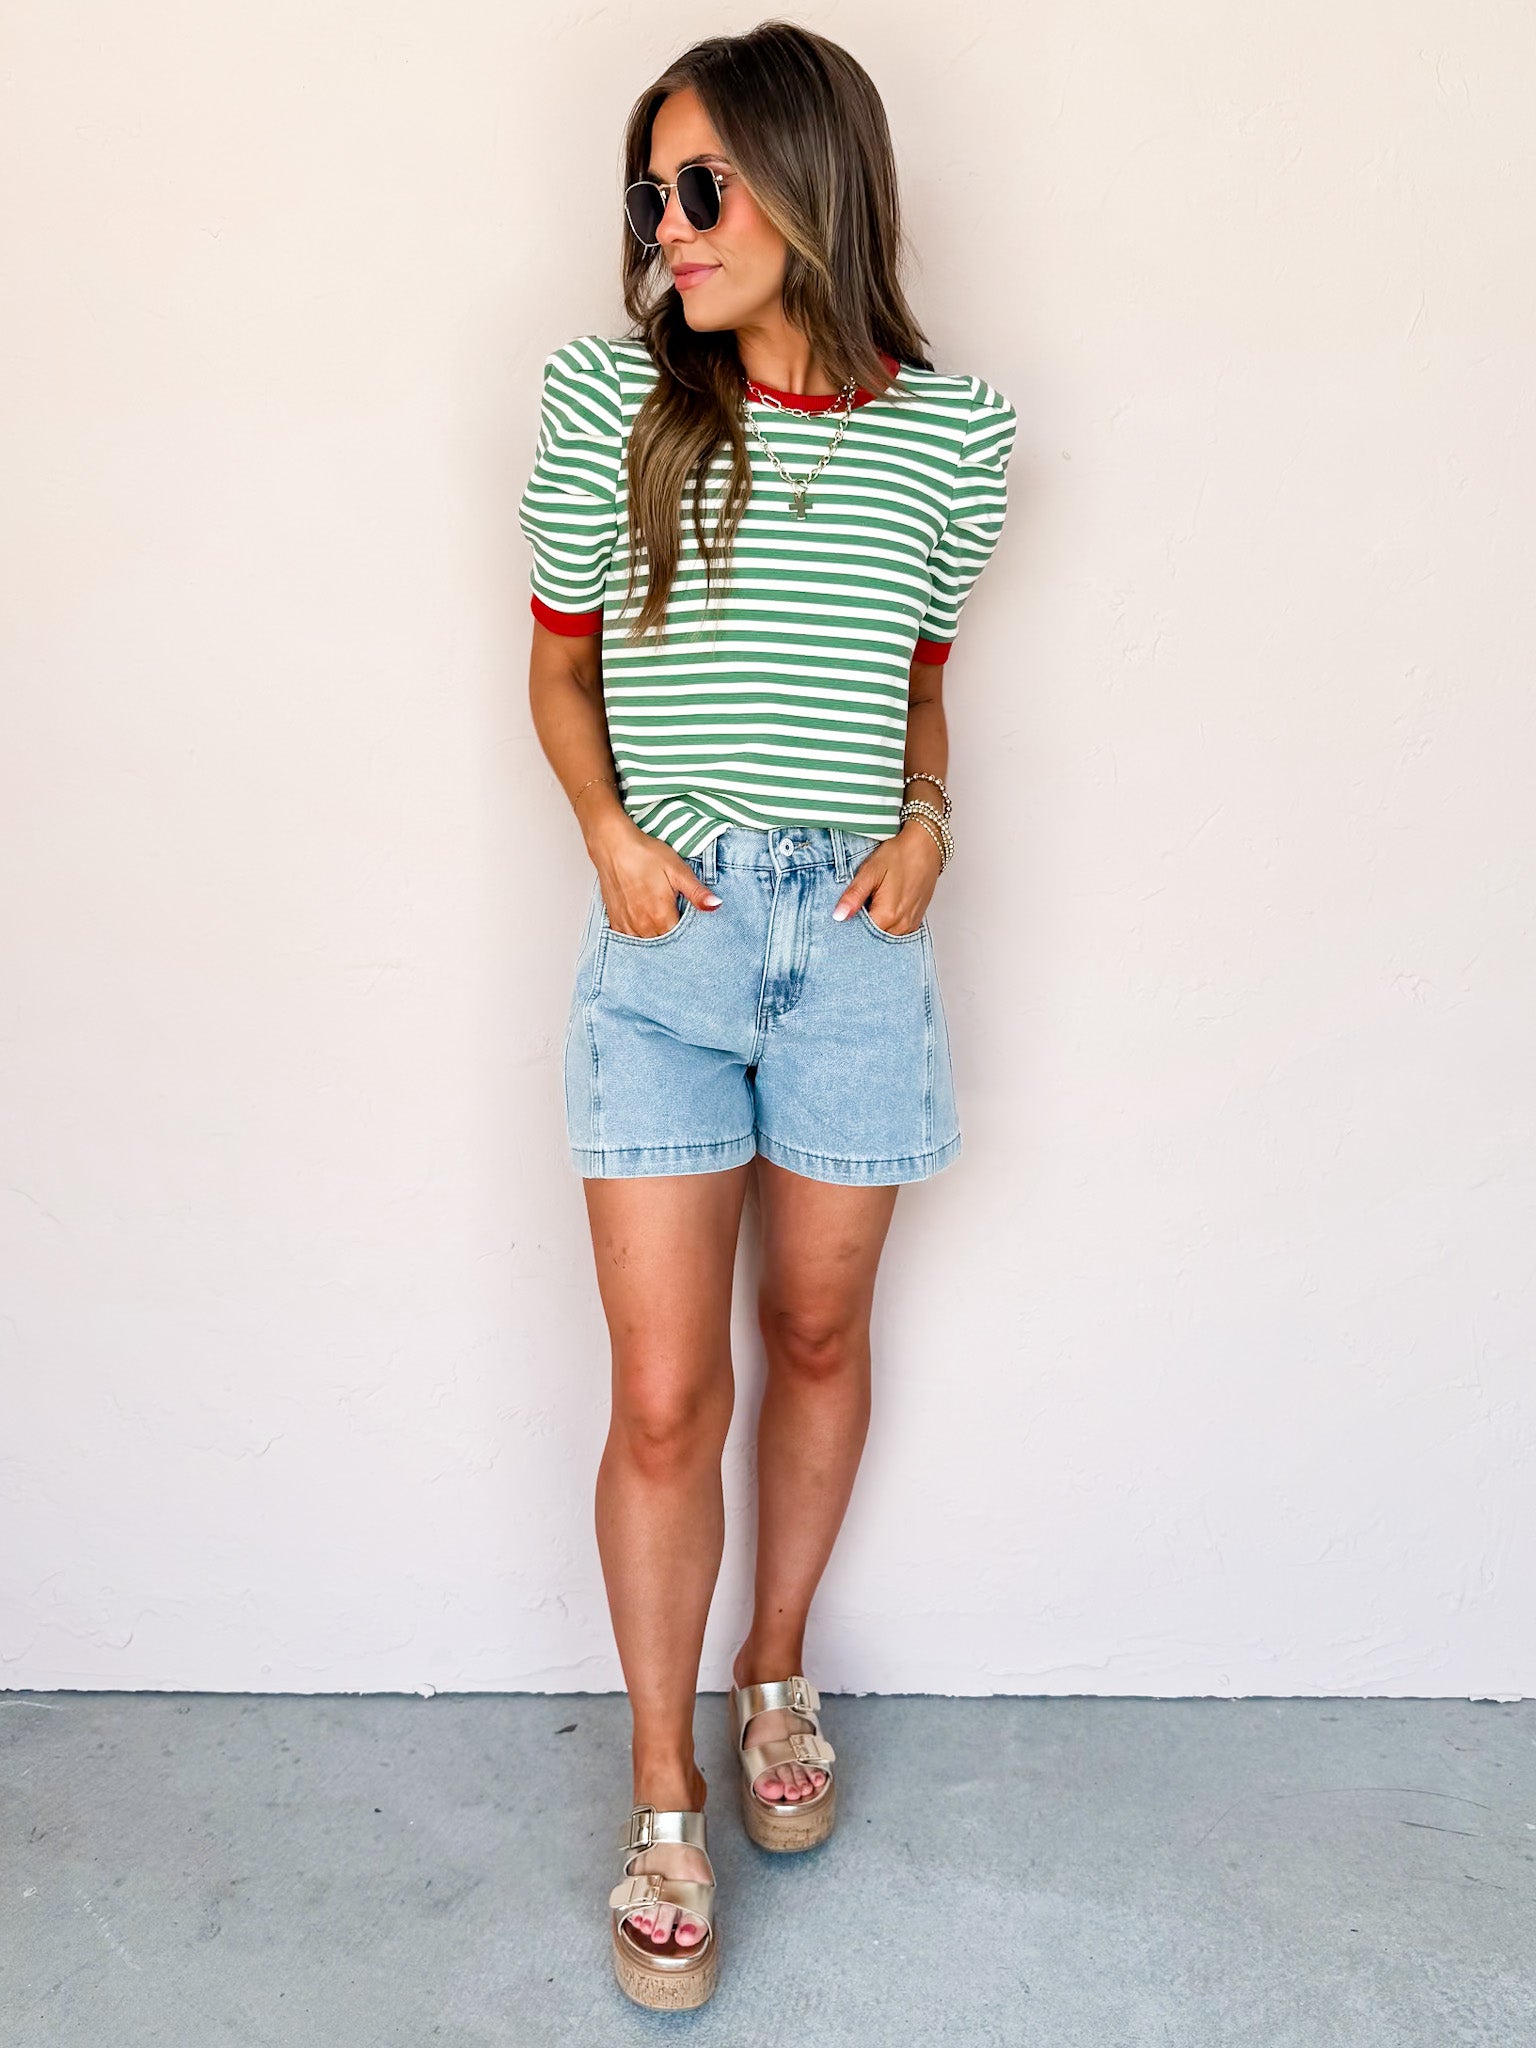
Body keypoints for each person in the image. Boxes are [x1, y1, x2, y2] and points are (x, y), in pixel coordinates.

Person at [517, 20, 1017, 2011]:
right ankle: (663, 1794)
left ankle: (775, 1670)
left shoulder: (949, 437)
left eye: (705, 183)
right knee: (664, 1393)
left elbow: (919, 677)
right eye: (653, 191)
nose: (670, 223)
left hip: (858, 940)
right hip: (673, 939)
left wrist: (930, 825)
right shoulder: (610, 401)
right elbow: (558, 669)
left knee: (814, 1332)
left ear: (815, 182)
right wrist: (610, 841)